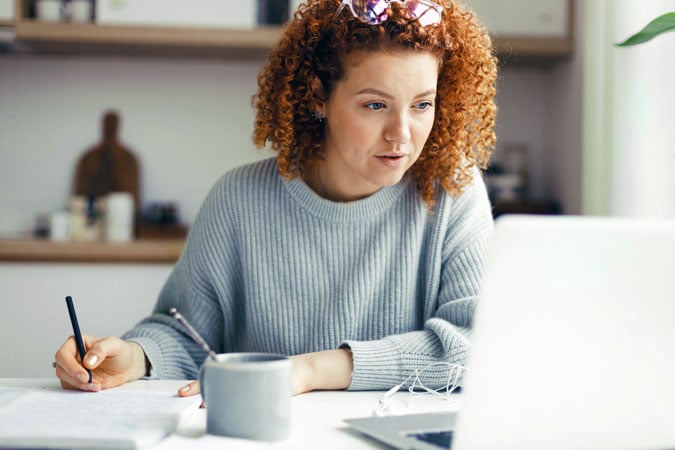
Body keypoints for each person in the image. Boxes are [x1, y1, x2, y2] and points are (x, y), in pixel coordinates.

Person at [54, 0, 497, 397]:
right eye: (375, 105)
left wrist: (311, 370)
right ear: (319, 97)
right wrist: (136, 357)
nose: (402, 134)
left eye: (422, 105)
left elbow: (478, 346)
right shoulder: (239, 200)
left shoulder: (454, 192)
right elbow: (186, 333)